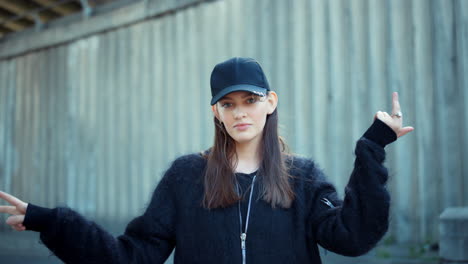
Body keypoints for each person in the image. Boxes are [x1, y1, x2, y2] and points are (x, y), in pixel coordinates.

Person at [0, 57, 414, 264]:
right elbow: (131, 256)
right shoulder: (187, 177)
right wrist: (52, 221)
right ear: (215, 111)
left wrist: (372, 147)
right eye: (228, 103)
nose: (240, 113)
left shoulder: (301, 178)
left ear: (270, 103)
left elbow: (352, 236)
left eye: (250, 101)